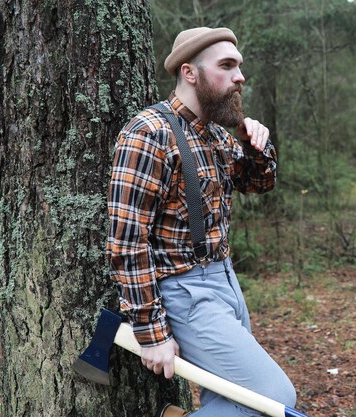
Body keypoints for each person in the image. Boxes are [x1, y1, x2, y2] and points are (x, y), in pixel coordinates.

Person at [107, 27, 296, 417]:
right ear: (190, 73)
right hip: (186, 293)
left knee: (229, 397)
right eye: (227, 66)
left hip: (226, 283)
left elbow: (260, 183)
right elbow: (127, 242)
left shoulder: (215, 135)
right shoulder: (149, 133)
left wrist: (253, 144)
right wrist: (151, 331)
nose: (240, 76)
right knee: (274, 399)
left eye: (239, 66)